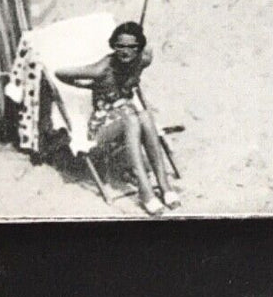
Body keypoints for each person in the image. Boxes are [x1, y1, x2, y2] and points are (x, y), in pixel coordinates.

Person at [54, 21, 179, 215]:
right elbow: (60, 73)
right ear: (113, 46)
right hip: (103, 127)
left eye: (131, 47)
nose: (125, 51)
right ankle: (145, 191)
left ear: (139, 48)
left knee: (145, 115)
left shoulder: (142, 60)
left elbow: (150, 51)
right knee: (132, 117)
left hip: (131, 120)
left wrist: (138, 40)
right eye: (120, 45)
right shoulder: (102, 69)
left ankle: (165, 186)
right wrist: (88, 85)